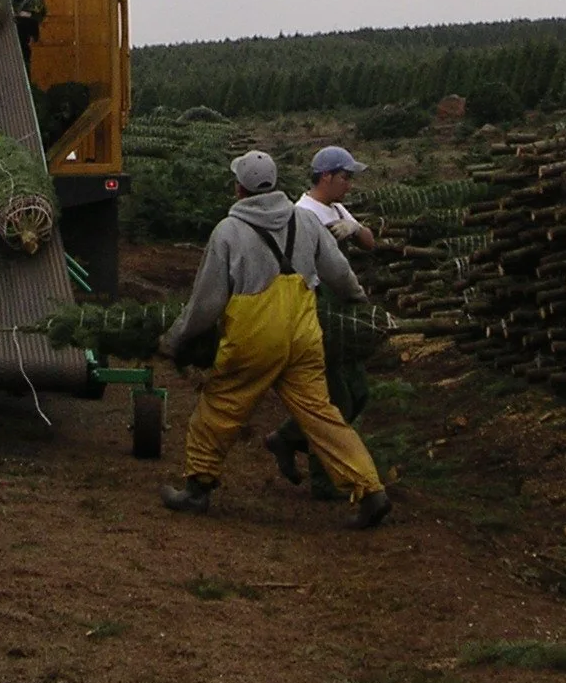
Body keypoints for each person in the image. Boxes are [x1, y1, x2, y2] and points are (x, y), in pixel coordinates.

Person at [157, 150, 391, 529]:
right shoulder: (305, 221)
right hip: (303, 334)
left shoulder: (228, 232)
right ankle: (371, 491)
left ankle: (197, 491)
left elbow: (206, 302)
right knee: (323, 415)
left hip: (254, 339)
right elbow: (339, 272)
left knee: (219, 409)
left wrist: (176, 338)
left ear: (239, 188)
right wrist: (357, 301)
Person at [266, 145, 379, 499]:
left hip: (342, 308)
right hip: (317, 308)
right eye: (345, 177)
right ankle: (323, 480)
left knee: (358, 392)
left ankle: (286, 438)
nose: (350, 184)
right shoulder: (303, 213)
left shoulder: (336, 207)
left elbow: (371, 243)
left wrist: (355, 226)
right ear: (326, 177)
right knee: (334, 398)